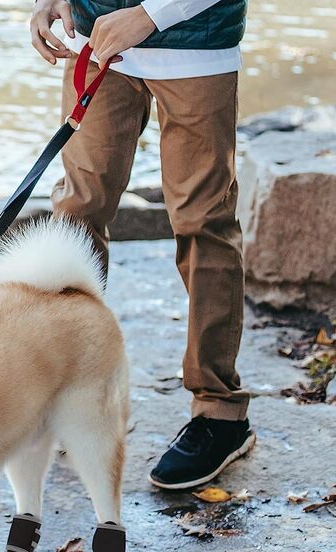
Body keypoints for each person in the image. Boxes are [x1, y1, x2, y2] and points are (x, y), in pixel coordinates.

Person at [30, 0, 256, 490]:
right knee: (77, 215)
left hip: (193, 44)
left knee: (203, 223)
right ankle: (75, 395)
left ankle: (220, 413)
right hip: (95, 40)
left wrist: (150, 15)